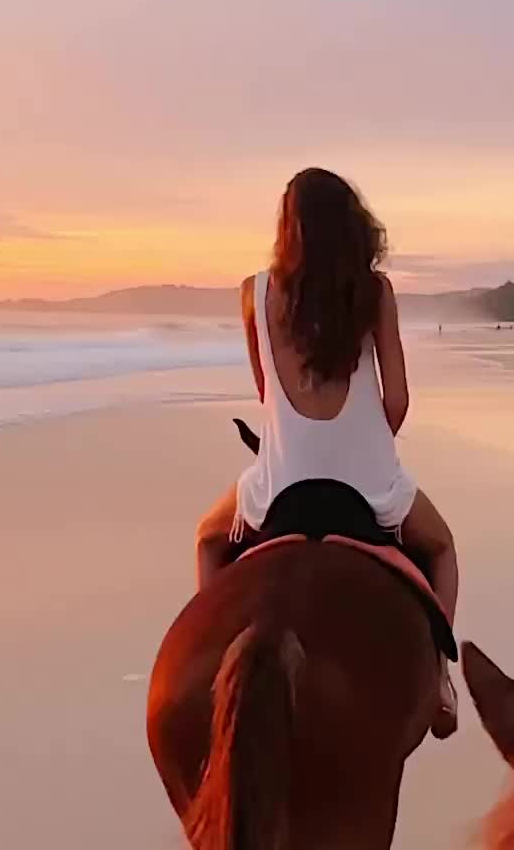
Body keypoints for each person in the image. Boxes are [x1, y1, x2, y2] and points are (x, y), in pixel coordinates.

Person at [195, 168, 460, 735]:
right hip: (366, 481)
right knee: (441, 548)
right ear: (352, 227)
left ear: (287, 229)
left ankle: (215, 673)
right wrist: (365, 442)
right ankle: (439, 681)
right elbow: (399, 400)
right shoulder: (375, 293)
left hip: (283, 483)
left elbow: (267, 395)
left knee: (209, 539)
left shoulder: (253, 293)